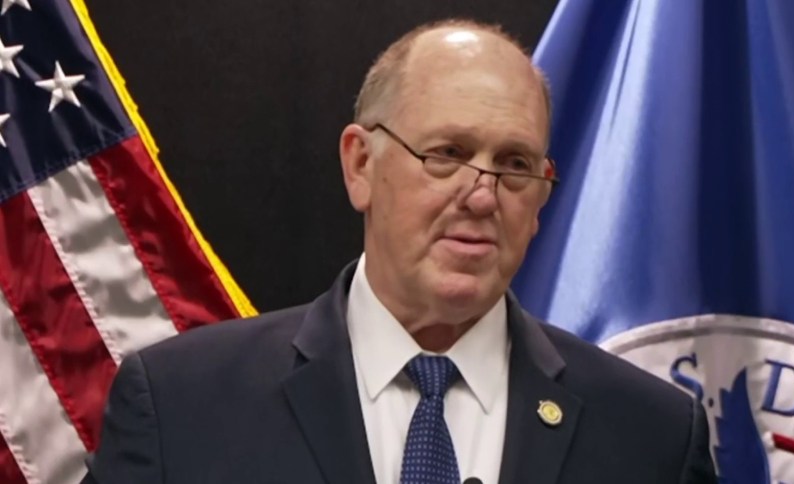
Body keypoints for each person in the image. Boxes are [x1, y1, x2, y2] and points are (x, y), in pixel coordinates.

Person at [83, 19, 717, 484]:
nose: (482, 195)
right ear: (361, 165)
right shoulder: (183, 406)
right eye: (447, 154)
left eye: (515, 164)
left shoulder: (652, 435)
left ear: (541, 198)